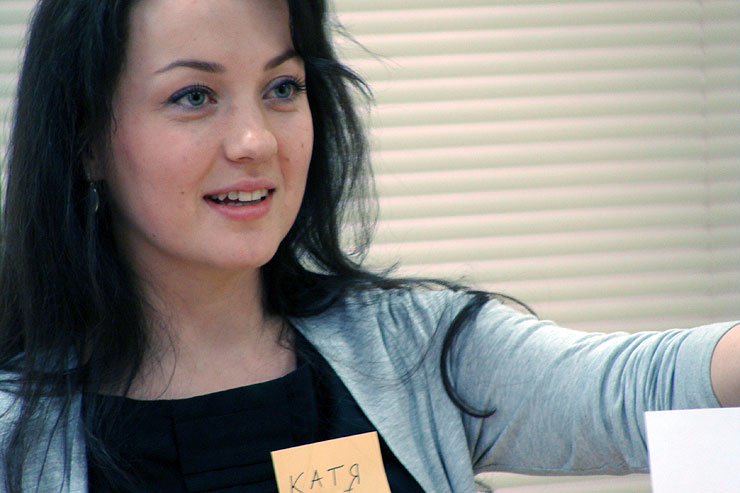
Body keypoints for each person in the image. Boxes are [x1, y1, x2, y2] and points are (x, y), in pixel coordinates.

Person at [0, 0, 737, 491]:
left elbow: (643, 389)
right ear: (87, 141)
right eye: (194, 96)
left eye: (282, 88)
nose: (256, 141)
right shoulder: (17, 432)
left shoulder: (414, 348)